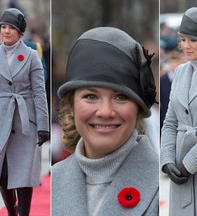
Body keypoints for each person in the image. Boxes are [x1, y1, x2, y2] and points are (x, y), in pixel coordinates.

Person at [52, 27, 159, 215]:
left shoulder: (165, 188)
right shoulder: (51, 183)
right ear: (71, 104)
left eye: (121, 97)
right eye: (91, 96)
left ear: (138, 109)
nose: (105, 112)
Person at [0, 8, 49, 216]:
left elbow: (39, 93)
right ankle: (11, 210)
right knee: (3, 173)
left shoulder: (32, 56)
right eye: (3, 27)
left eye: (11, 27)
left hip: (26, 122)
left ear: (20, 31)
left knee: (24, 174)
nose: (6, 31)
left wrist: (43, 126)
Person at [160, 7, 197, 215]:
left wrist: (187, 165)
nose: (185, 46)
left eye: (192, 39)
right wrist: (167, 160)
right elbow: (170, 122)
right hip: (179, 173)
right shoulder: (181, 72)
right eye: (183, 39)